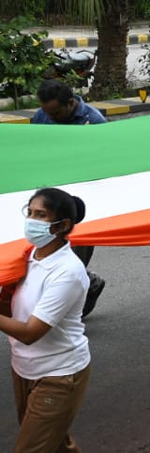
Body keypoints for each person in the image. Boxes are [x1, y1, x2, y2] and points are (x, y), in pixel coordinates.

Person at [1, 188, 91, 452]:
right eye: (29, 212)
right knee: (56, 445)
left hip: (58, 375)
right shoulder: (28, 256)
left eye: (40, 215)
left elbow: (31, 332)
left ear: (62, 225)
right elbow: (11, 309)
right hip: (24, 368)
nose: (31, 220)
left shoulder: (68, 272)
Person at [30, 80, 107, 318]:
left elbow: (106, 158)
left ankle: (67, 303)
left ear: (71, 103)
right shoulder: (42, 116)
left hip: (80, 197)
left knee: (75, 250)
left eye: (55, 112)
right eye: (47, 112)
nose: (50, 117)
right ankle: (86, 284)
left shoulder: (94, 122)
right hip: (51, 193)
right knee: (45, 248)